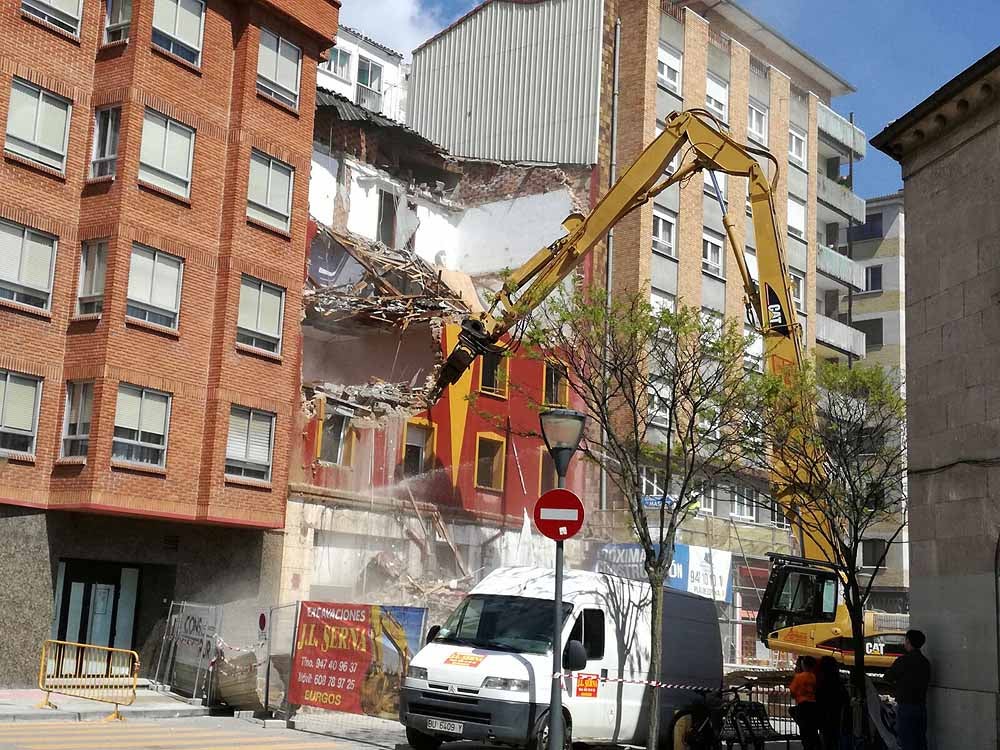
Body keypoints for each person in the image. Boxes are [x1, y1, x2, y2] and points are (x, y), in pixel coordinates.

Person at [884, 629, 931, 750]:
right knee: (920, 740)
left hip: (905, 707)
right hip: (921, 707)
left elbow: (888, 677)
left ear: (908, 642)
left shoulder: (903, 661)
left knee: (906, 741)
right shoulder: (925, 662)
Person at [815, 655, 848, 750]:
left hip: (825, 719)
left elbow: (818, 700)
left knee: (827, 742)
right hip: (837, 719)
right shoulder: (839, 684)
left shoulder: (822, 685)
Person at [789, 656, 820, 750]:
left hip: (802, 707)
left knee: (804, 731)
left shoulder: (799, 677)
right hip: (814, 706)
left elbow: (792, 692)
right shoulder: (815, 677)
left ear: (803, 665)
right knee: (813, 731)